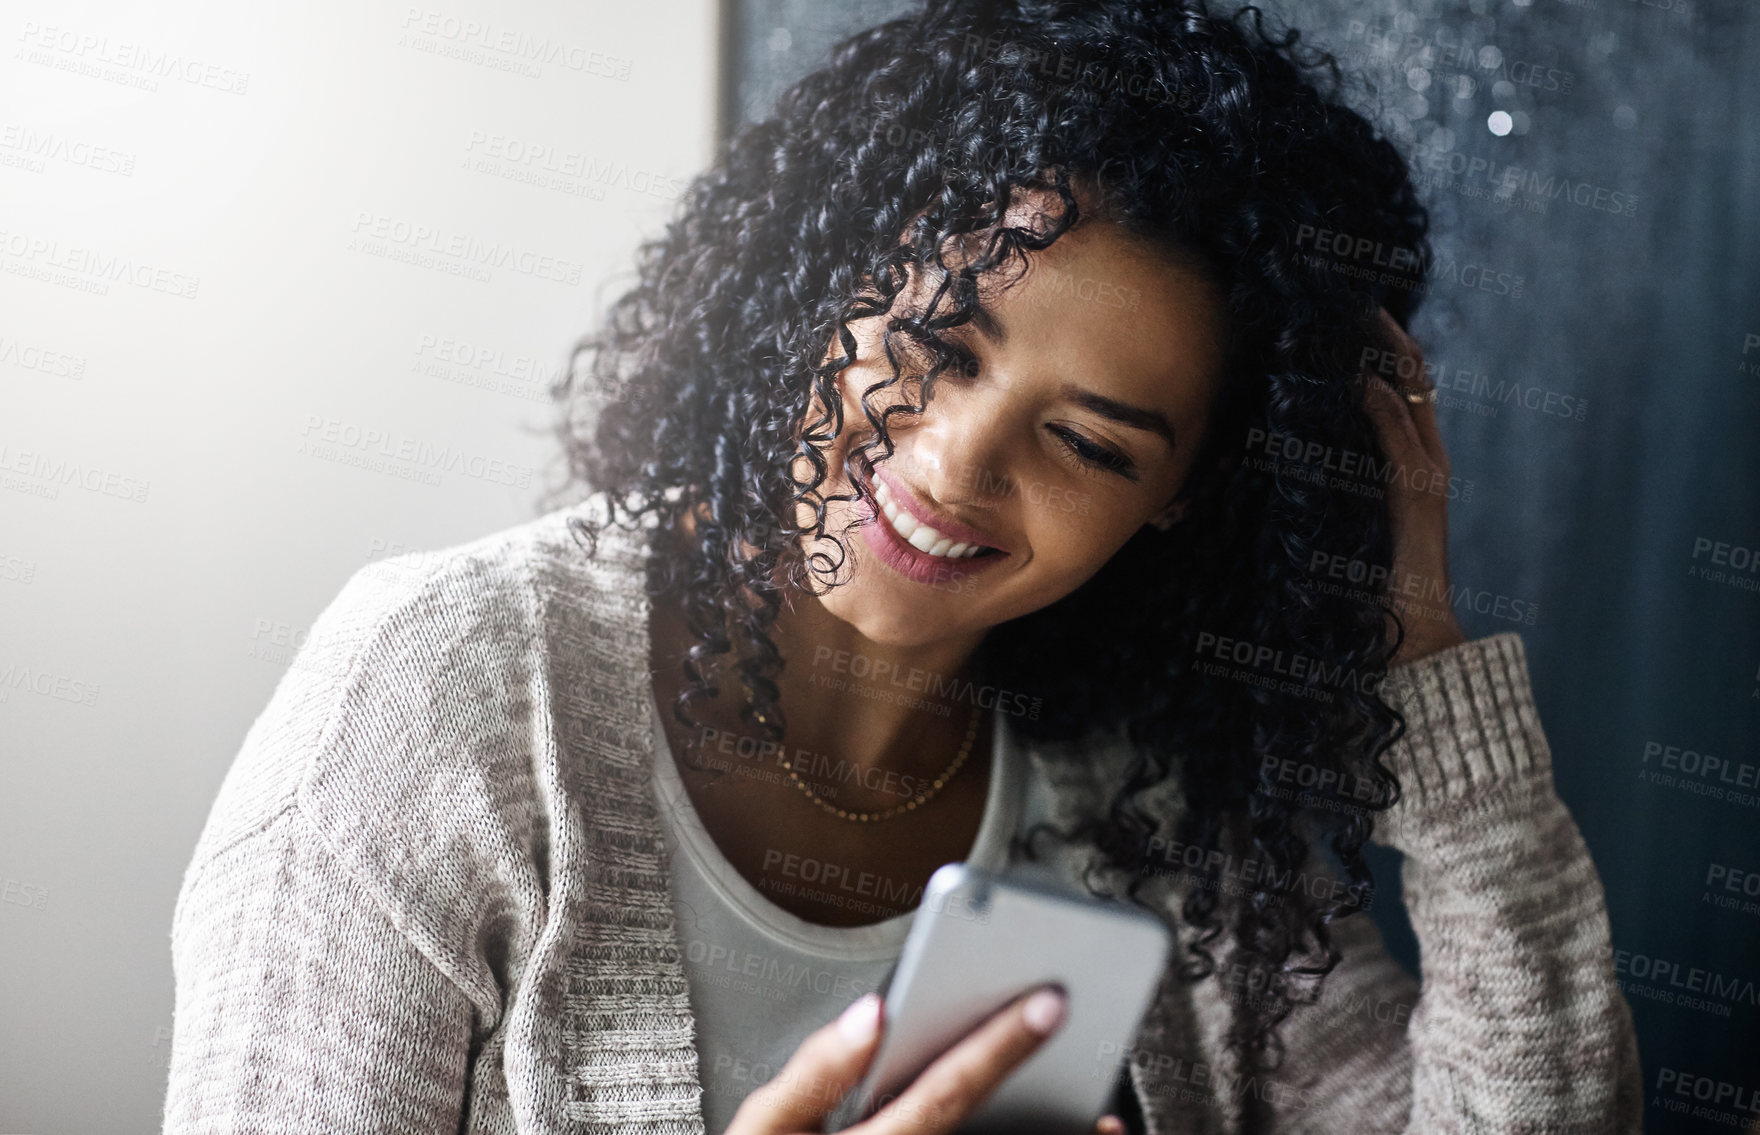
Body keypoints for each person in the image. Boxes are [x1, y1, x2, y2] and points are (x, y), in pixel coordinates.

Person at [161, 1, 1642, 1133]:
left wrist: (1424, 668)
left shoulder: (1149, 800)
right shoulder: (453, 691)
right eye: (938, 342)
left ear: (1185, 498)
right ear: (827, 277)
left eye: (1091, 444)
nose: (950, 465)